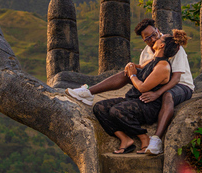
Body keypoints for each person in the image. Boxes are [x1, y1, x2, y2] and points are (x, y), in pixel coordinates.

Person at [66, 19, 194, 154]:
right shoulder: (147, 53)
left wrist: (156, 93)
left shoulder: (172, 45)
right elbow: (146, 71)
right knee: (124, 76)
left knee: (167, 95)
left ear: (157, 31)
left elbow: (175, 78)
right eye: (148, 38)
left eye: (155, 34)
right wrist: (131, 68)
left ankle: (156, 139)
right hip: (154, 84)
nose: (153, 38)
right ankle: (88, 92)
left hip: (180, 85)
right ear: (144, 40)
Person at [92, 33, 186, 154]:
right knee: (99, 108)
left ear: (161, 45)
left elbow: (142, 88)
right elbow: (139, 66)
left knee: (117, 110)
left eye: (159, 39)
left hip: (148, 105)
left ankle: (144, 137)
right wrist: (130, 66)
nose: (156, 40)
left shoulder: (163, 66)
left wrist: (132, 75)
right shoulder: (153, 61)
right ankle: (125, 139)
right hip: (135, 100)